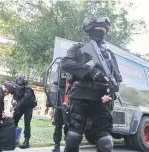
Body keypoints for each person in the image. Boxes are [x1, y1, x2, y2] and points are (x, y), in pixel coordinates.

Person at [61, 16, 122, 152]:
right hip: (80, 95)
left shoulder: (110, 54)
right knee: (73, 137)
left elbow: (117, 78)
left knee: (105, 142)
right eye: (98, 29)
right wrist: (89, 70)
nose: (101, 32)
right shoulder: (77, 47)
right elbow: (65, 63)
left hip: (101, 99)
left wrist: (110, 93)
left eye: (104, 30)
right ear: (89, 30)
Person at [11, 75, 37, 149]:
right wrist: (13, 103)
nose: (19, 86)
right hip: (20, 107)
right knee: (14, 121)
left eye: (21, 85)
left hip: (28, 107)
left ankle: (26, 141)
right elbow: (15, 98)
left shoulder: (28, 91)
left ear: (25, 84)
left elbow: (23, 101)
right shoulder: (16, 89)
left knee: (27, 123)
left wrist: (15, 108)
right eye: (18, 85)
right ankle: (11, 138)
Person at [45, 79, 70, 152]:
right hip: (59, 108)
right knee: (58, 128)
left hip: (68, 107)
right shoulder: (57, 84)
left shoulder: (72, 82)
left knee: (68, 128)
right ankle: (57, 146)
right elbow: (51, 95)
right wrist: (48, 106)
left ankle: (67, 146)